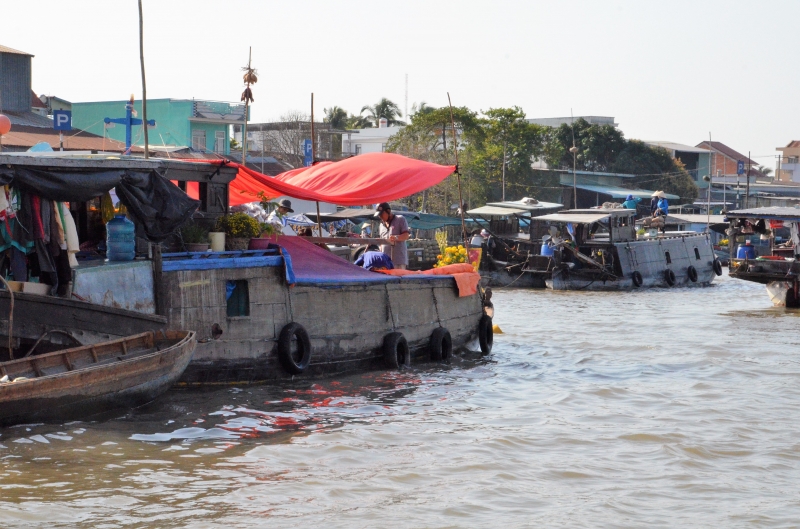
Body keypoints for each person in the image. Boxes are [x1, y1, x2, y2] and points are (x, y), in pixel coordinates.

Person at [374, 202, 410, 270]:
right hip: (385, 261)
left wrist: (396, 238)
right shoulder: (381, 225)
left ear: (388, 211)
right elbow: (382, 242)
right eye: (379, 215)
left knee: (398, 280)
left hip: (398, 261)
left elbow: (406, 235)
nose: (380, 216)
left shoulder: (400, 219)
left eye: (381, 214)